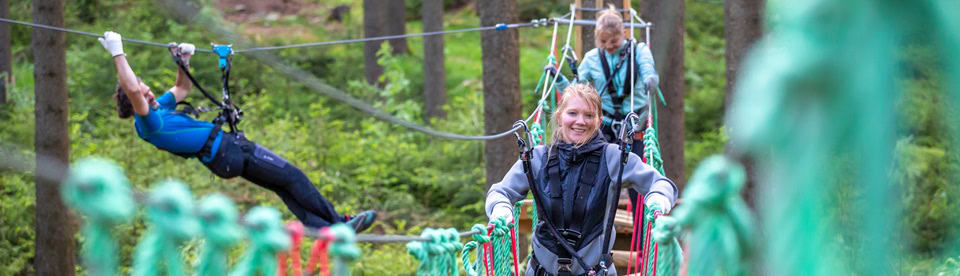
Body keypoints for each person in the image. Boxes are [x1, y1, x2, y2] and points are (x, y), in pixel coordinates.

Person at [100, 31, 376, 232]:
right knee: (292, 176)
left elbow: (183, 88)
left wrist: (183, 61)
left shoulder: (159, 110)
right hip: (229, 151)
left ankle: (322, 229)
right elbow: (133, 89)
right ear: (136, 103)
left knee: (284, 185)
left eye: (148, 90)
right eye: (145, 93)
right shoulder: (148, 123)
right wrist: (117, 52)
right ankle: (340, 224)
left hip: (225, 156)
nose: (150, 93)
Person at [485, 84, 676, 275]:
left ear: (599, 121)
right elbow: (501, 191)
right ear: (560, 116)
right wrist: (500, 207)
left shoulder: (613, 158)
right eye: (573, 113)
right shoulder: (537, 158)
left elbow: (661, 184)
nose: (580, 121)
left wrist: (658, 198)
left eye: (589, 115)